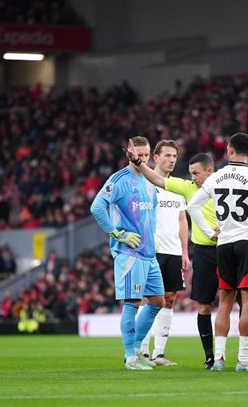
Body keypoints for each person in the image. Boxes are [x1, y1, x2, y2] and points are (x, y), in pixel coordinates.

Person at [187, 132, 248, 372]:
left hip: (224, 244)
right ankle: (243, 360)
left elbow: (192, 206)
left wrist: (210, 232)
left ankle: (219, 359)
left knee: (225, 301)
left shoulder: (216, 177)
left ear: (229, 149)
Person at [91, 136, 165, 371]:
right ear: (129, 155)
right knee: (132, 303)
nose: (141, 159)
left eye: (145, 155)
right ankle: (130, 356)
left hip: (149, 253)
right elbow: (96, 207)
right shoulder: (119, 180)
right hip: (129, 252)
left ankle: (136, 350)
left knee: (157, 301)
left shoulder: (150, 181)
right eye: (138, 155)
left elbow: (149, 215)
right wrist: (117, 234)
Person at [138, 140, 189, 366]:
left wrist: (185, 252)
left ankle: (159, 353)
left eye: (174, 156)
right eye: (166, 155)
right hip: (150, 251)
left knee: (169, 299)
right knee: (146, 300)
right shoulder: (143, 185)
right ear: (155, 158)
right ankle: (141, 351)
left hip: (174, 251)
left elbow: (182, 220)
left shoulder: (177, 188)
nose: (171, 160)